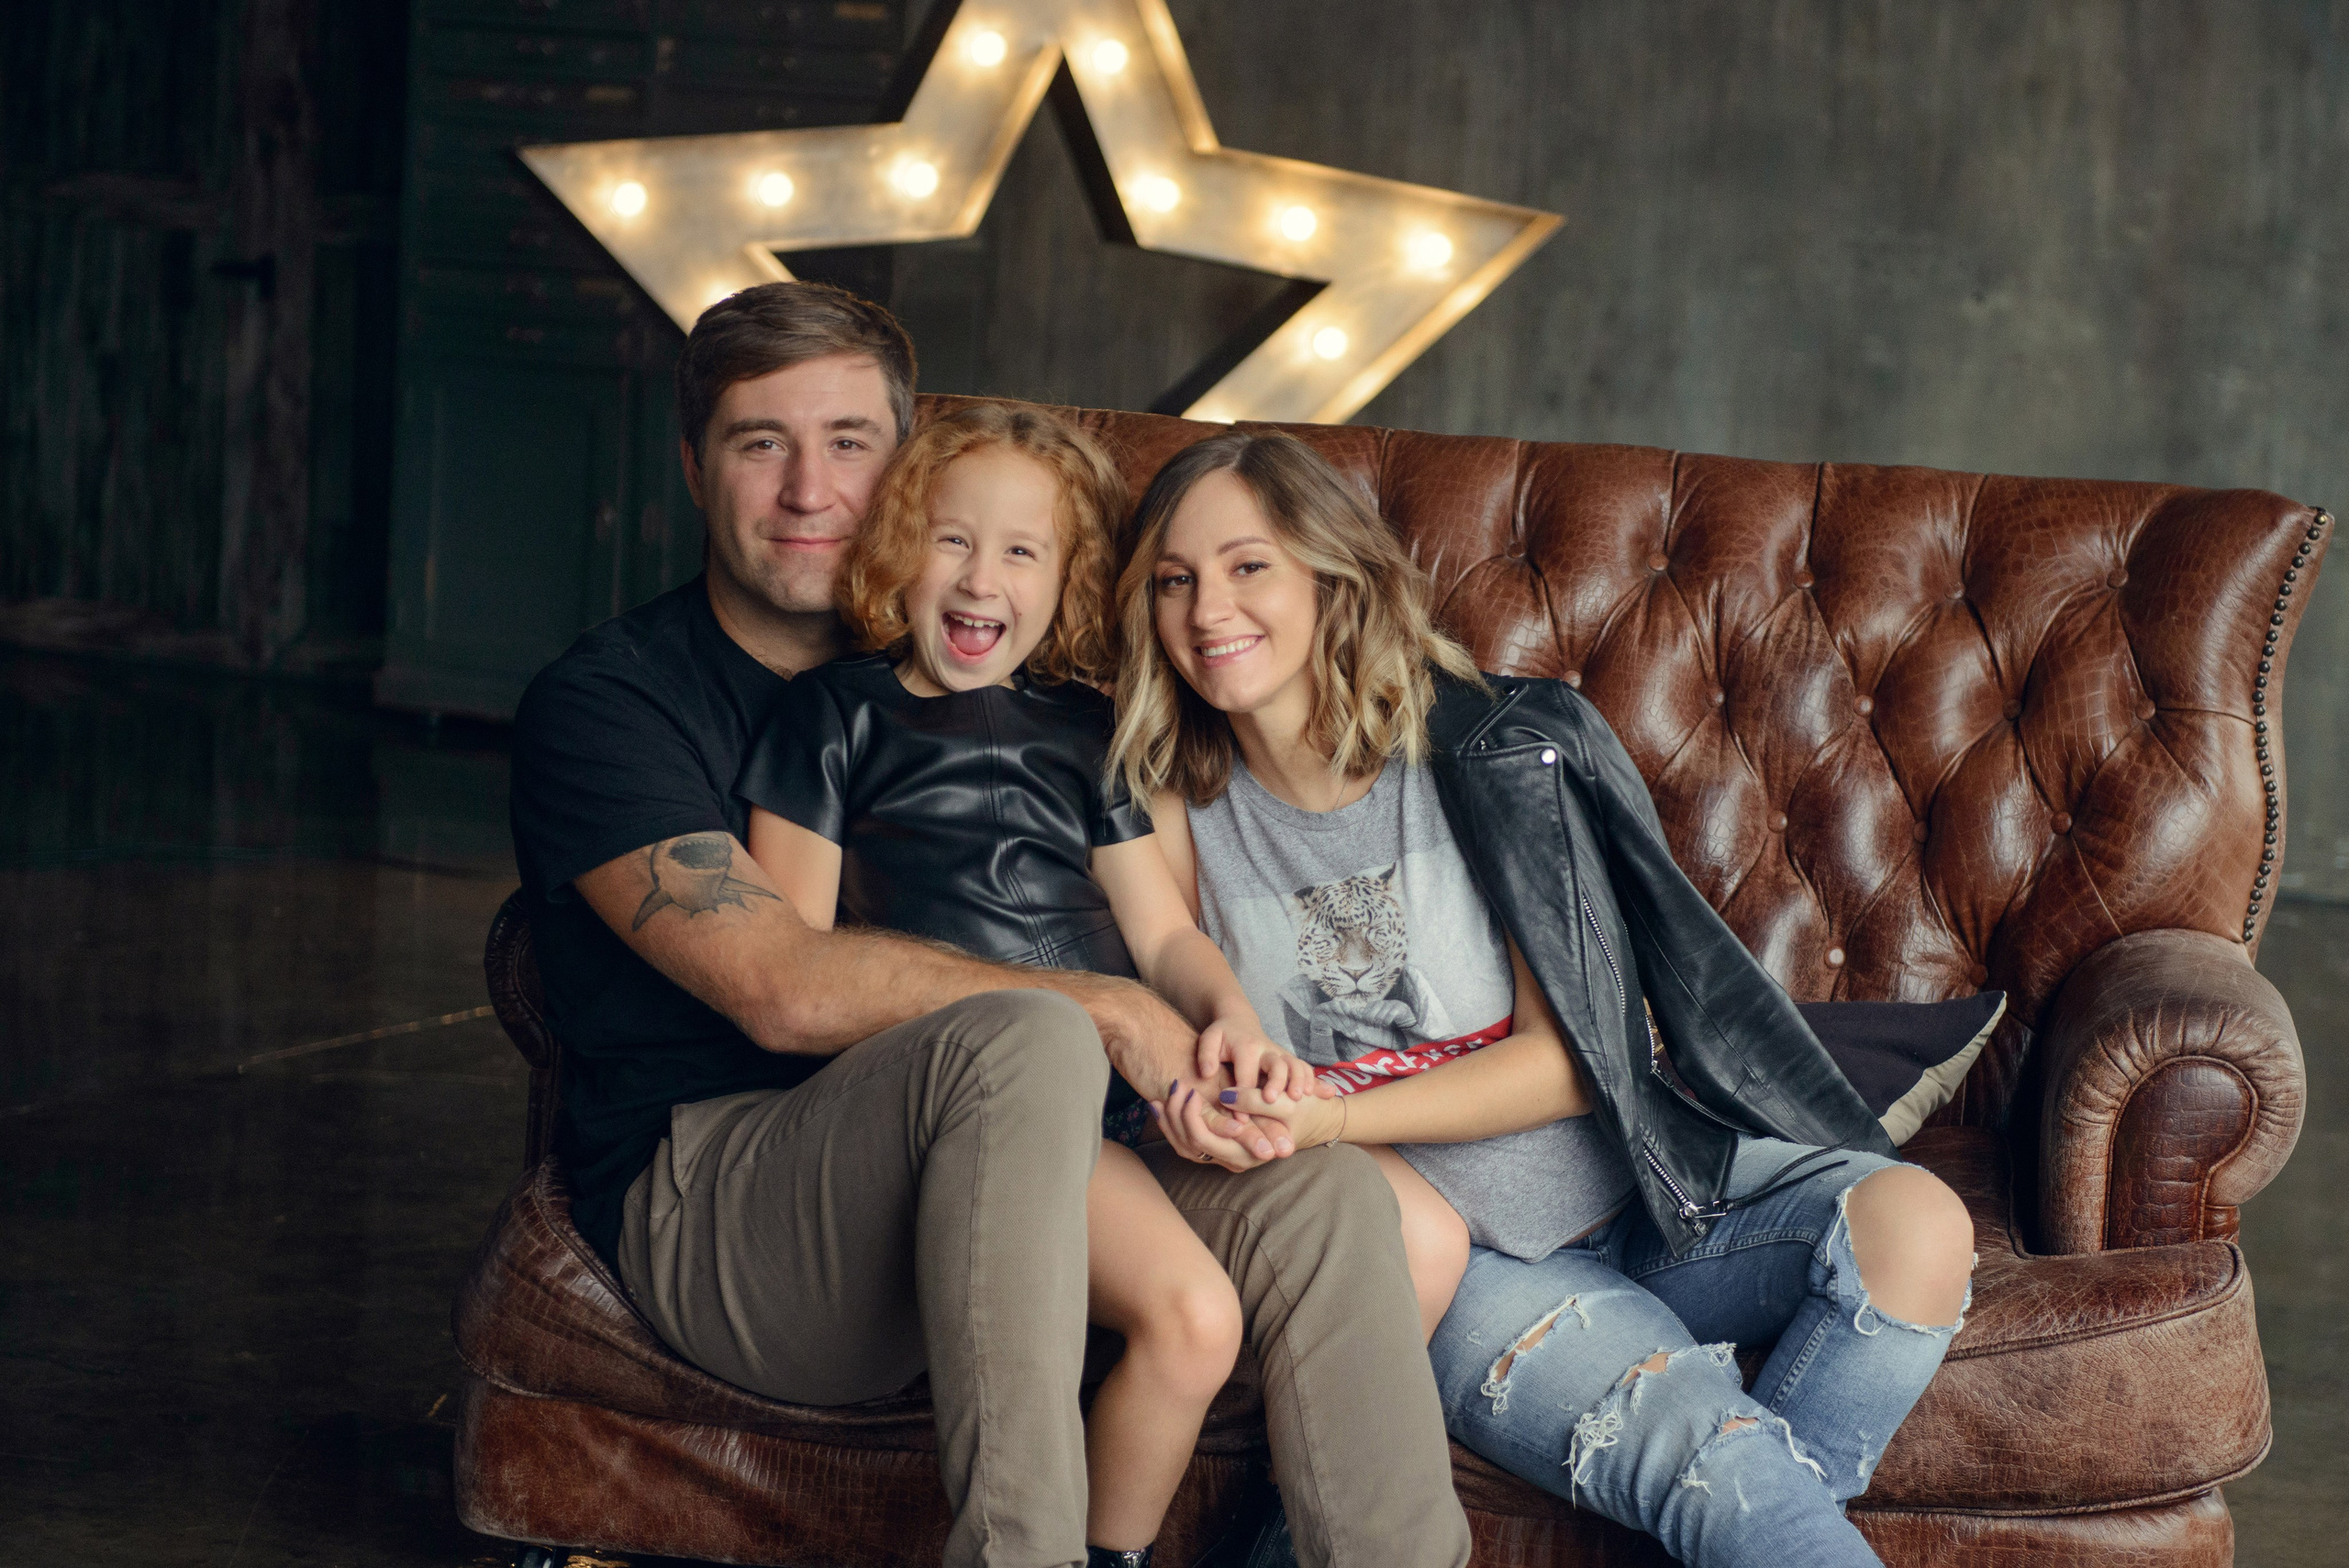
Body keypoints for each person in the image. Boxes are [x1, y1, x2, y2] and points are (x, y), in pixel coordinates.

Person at [506, 283, 1472, 1568]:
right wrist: (1119, 1010)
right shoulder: (613, 703)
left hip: (1019, 1176)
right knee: (1028, 1035)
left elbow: (1157, 911)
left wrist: (1213, 1032)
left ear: (900, 469)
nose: (808, 488)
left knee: (1330, 1199)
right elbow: (781, 988)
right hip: (737, 1202)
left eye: (848, 442)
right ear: (694, 468)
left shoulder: (1055, 715)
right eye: (759, 443)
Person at [1107, 428, 1979, 1568]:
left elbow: (1568, 1060)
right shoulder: (1168, 792)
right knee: (1720, 1471)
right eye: (1173, 579)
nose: (1206, 605)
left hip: (1644, 1193)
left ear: (1334, 573)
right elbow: (1166, 962)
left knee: (1919, 1222)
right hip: (1460, 1261)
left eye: (1246, 564)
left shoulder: (1487, 749)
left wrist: (1332, 1113)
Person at [733, 401, 1327, 1566]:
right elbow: (792, 952)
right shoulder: (833, 714)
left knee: (1199, 1325)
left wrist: (1231, 1015)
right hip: (953, 1093)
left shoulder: (1086, 733)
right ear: (898, 550)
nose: (979, 576)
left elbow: (1161, 935)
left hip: (1109, 1101)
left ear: (1068, 581)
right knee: (1197, 1313)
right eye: (951, 539)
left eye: (1021, 550)